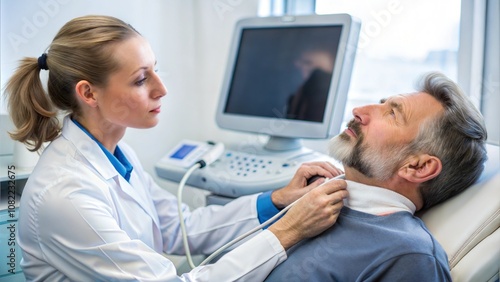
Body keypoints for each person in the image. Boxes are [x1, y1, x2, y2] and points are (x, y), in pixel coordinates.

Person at [5, 15, 349, 281]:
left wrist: (277, 200)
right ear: (89, 93)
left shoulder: (117, 155)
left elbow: (177, 228)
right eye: (141, 79)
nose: (162, 88)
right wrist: (289, 230)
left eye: (156, 70)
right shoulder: (66, 195)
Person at [265, 72, 488, 281]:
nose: (358, 111)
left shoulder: (411, 258)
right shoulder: (310, 200)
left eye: (392, 113)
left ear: (418, 167)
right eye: (382, 104)